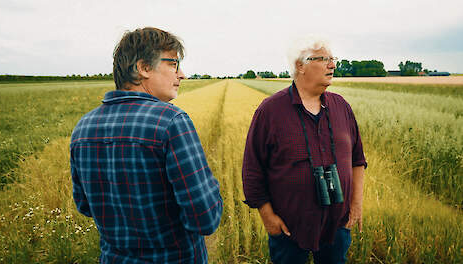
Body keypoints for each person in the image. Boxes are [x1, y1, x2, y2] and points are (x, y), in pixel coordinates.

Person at [70, 27, 223, 264]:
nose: (182, 74)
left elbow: (85, 206)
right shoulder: (171, 122)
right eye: (173, 64)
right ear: (143, 68)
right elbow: (205, 218)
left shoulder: (83, 127)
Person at [242, 36, 367, 264]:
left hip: (337, 227)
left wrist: (356, 206)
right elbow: (252, 170)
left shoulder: (342, 107)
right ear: (300, 65)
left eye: (333, 59)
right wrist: (268, 218)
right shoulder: (270, 111)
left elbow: (357, 160)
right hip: (288, 229)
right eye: (324, 59)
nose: (333, 65)